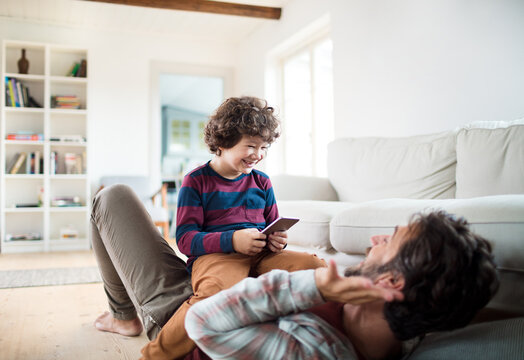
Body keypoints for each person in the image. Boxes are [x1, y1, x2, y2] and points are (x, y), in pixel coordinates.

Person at [91, 96, 326, 359]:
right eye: (251, 146)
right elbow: (186, 240)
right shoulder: (196, 181)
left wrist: (277, 241)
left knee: (314, 268)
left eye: (263, 148)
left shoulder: (262, 182)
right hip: (217, 257)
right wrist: (232, 241)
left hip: (262, 256)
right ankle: (156, 354)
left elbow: (273, 224)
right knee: (216, 296)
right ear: (224, 143)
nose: (258, 155)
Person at [184, 210, 500, 360]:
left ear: (391, 281)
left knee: (130, 198)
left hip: (184, 322)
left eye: (389, 240)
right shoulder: (398, 318)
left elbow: (200, 323)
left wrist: (315, 286)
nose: (375, 239)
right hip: (219, 280)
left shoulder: (315, 353)